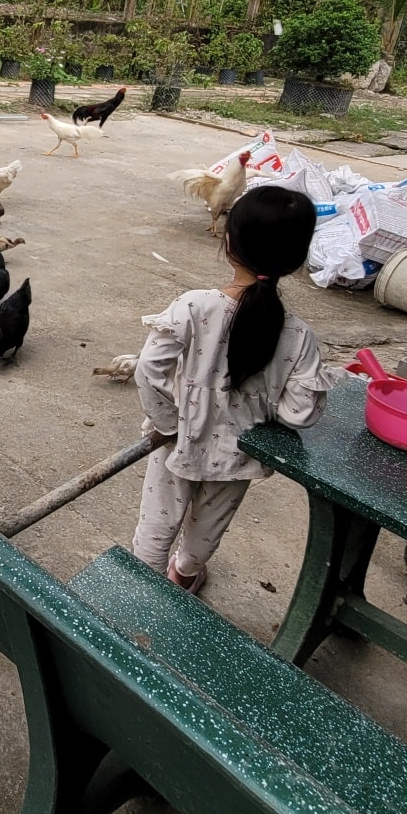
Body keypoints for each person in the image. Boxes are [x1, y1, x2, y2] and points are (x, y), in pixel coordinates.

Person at [132, 185, 333, 593]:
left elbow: (148, 370)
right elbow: (301, 413)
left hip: (177, 445)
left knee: (157, 524)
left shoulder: (193, 306)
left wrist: (168, 421)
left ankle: (143, 592)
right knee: (206, 531)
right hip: (235, 458)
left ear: (228, 242)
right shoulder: (298, 335)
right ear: (297, 260)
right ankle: (185, 575)